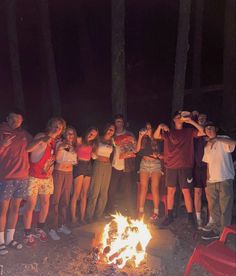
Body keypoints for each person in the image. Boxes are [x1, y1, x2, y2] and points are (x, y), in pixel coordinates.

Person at [154, 111, 205, 227]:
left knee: (186, 192)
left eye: (181, 117)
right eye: (177, 117)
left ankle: (191, 218)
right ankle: (170, 216)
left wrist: (191, 121)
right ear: (173, 120)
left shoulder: (189, 131)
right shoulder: (169, 132)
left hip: (185, 166)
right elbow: (156, 136)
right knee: (170, 191)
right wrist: (160, 126)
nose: (180, 119)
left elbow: (202, 132)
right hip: (171, 166)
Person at [23, 117, 66, 247]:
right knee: (30, 205)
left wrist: (60, 148)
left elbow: (56, 160)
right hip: (34, 176)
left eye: (60, 127)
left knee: (46, 203)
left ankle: (39, 228)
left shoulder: (56, 142)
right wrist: (41, 140)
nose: (57, 128)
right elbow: (27, 149)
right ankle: (27, 233)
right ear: (50, 125)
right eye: (55, 125)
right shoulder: (42, 135)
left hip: (47, 177)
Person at [0, 109, 32, 255]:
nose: (15, 122)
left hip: (22, 177)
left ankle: (9, 239)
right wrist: (3, 145)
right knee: (3, 210)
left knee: (15, 209)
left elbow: (36, 144)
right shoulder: (2, 131)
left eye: (18, 120)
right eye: (12, 119)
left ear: (22, 121)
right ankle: (0, 241)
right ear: (7, 118)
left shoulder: (24, 134)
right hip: (6, 177)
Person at [201, 121, 235, 240]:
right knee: (213, 207)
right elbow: (208, 164)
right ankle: (216, 230)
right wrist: (207, 180)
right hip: (212, 181)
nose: (209, 130)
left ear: (215, 129)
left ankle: (223, 234)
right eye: (207, 129)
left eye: (211, 128)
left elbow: (233, 143)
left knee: (225, 208)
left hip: (225, 178)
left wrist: (218, 139)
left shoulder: (223, 139)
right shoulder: (207, 146)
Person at [48, 127, 77, 240]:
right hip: (59, 173)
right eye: (68, 133)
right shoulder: (59, 143)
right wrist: (61, 147)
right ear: (64, 134)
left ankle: (61, 225)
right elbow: (57, 158)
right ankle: (52, 228)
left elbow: (74, 161)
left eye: (72, 134)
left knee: (65, 200)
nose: (71, 136)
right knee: (55, 200)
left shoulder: (73, 147)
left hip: (69, 174)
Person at [105, 114, 136, 216]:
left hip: (126, 166)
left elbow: (135, 148)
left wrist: (131, 143)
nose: (119, 124)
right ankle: (110, 210)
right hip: (114, 165)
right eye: (117, 122)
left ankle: (128, 210)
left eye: (120, 121)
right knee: (112, 189)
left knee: (127, 190)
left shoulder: (129, 134)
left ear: (123, 123)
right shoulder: (112, 134)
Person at [86, 123, 115, 222]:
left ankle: (98, 215)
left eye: (113, 130)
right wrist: (97, 156)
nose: (111, 131)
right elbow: (92, 153)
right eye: (109, 129)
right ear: (106, 129)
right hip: (98, 164)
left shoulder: (112, 141)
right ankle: (89, 215)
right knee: (95, 190)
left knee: (104, 191)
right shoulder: (98, 139)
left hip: (108, 166)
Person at [70, 127, 98, 224]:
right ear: (87, 132)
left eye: (94, 135)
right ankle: (73, 218)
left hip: (88, 166)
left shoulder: (93, 144)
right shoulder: (79, 140)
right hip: (79, 165)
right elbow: (71, 149)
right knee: (76, 193)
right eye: (91, 133)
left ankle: (82, 218)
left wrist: (94, 154)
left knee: (84, 194)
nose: (91, 135)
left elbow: (93, 156)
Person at [136, 122, 163, 222]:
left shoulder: (157, 138)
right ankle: (141, 211)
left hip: (155, 164)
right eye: (146, 128)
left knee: (154, 188)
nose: (147, 130)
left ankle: (156, 212)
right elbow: (137, 150)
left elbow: (161, 153)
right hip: (144, 163)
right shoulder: (143, 139)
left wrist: (158, 155)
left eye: (149, 128)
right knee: (143, 187)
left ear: (152, 129)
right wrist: (140, 136)